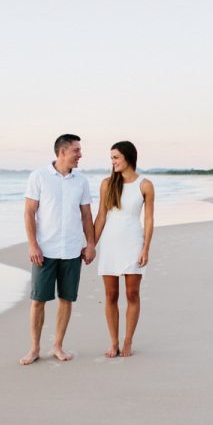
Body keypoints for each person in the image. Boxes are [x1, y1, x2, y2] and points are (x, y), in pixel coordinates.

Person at [20, 134, 96, 365]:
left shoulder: (81, 180)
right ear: (62, 151)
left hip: (72, 250)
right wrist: (33, 244)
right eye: (76, 150)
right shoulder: (39, 176)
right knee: (38, 300)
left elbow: (86, 215)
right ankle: (34, 348)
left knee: (66, 299)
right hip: (45, 250)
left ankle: (58, 346)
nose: (80, 155)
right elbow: (29, 212)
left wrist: (90, 243)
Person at [94, 141, 154, 357]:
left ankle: (127, 341)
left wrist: (146, 248)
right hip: (110, 244)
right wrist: (91, 244)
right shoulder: (107, 184)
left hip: (133, 242)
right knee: (110, 294)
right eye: (111, 158)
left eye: (116, 157)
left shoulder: (144, 185)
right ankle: (113, 342)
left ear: (128, 157)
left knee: (132, 293)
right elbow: (101, 217)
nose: (113, 162)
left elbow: (148, 219)